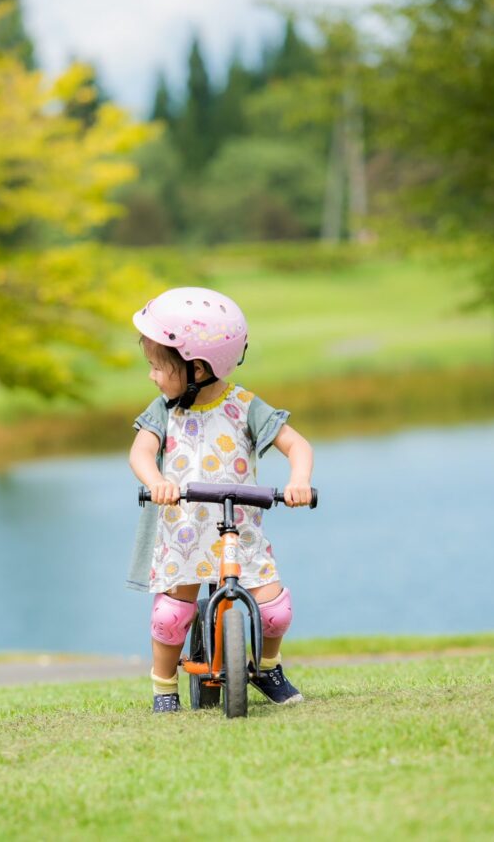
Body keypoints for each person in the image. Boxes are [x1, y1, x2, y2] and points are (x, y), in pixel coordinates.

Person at [128, 287, 314, 713]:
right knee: (171, 617)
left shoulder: (245, 407)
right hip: (184, 533)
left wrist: (299, 479)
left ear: (197, 367)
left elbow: (297, 445)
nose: (152, 376)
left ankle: (268, 667)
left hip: (239, 533)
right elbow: (140, 451)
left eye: (158, 366)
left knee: (275, 612)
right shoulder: (164, 410)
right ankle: (164, 687)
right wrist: (157, 480)